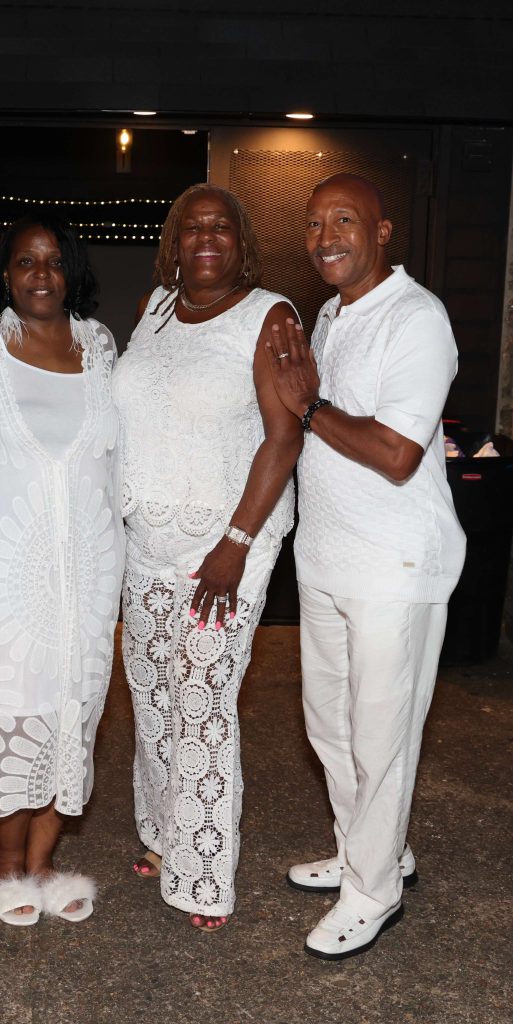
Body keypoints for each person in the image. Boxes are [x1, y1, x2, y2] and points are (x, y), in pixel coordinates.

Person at [266, 172, 465, 960]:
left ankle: (372, 891)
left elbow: (394, 453)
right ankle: (370, 850)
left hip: (394, 564)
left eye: (343, 221)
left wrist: (308, 406)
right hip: (326, 560)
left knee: (381, 735)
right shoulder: (328, 312)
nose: (325, 238)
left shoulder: (416, 318)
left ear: (383, 231)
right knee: (331, 728)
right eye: (313, 224)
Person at [112, 184, 302, 930]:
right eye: (191, 227)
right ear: (173, 240)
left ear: (241, 240)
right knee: (153, 700)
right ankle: (162, 836)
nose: (205, 237)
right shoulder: (154, 309)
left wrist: (235, 541)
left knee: (201, 706)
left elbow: (283, 438)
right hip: (145, 545)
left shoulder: (269, 315)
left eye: (220, 226)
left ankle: (201, 871)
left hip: (224, 549)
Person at [0, 214, 124, 925]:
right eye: (25, 261)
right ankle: (4, 869)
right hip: (0, 571)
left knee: (75, 711)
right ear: (4, 272)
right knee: (10, 709)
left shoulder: (99, 344)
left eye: (53, 262)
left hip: (88, 568)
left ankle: (45, 864)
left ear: (71, 274)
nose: (39, 274)